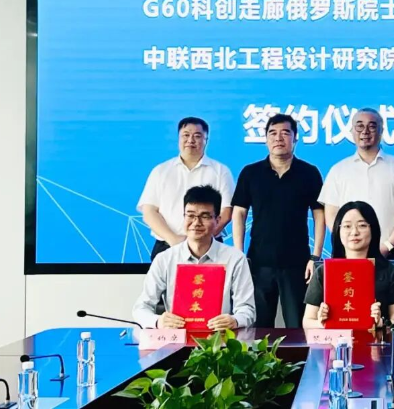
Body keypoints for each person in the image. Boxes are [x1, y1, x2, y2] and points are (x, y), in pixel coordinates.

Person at [232, 114, 325, 328]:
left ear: (295, 138)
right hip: (259, 262)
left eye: (285, 133)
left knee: (298, 325)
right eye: (272, 133)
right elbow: (239, 213)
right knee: (258, 327)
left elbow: (319, 215)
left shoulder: (309, 173)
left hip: (297, 263)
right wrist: (239, 254)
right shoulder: (251, 173)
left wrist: (315, 256)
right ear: (266, 139)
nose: (278, 138)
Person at [133, 185, 255, 330]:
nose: (196, 223)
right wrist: (158, 321)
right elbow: (141, 308)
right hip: (176, 337)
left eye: (205, 216)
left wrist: (235, 320)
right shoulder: (164, 259)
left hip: (219, 338)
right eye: (190, 215)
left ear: (217, 220)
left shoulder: (235, 259)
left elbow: (247, 309)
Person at [319, 108, 394, 260]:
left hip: (390, 253)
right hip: (349, 255)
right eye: (360, 126)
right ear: (352, 131)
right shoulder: (338, 170)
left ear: (381, 131)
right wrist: (348, 244)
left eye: (372, 126)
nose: (365, 131)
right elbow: (331, 214)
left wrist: (387, 246)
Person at [138, 117, 235, 260]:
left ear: (206, 140)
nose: (191, 140)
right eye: (186, 135)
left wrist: (201, 239)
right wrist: (173, 239)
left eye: (197, 136)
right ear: (179, 138)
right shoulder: (161, 171)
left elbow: (226, 212)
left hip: (209, 247)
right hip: (167, 246)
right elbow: (149, 212)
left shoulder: (221, 171)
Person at [303, 201, 394, 328]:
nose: (354, 232)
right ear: (338, 230)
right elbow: (308, 321)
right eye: (347, 226)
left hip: (376, 340)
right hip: (335, 340)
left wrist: (380, 323)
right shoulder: (323, 272)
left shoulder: (390, 272)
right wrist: (322, 324)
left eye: (362, 225)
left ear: (373, 230)